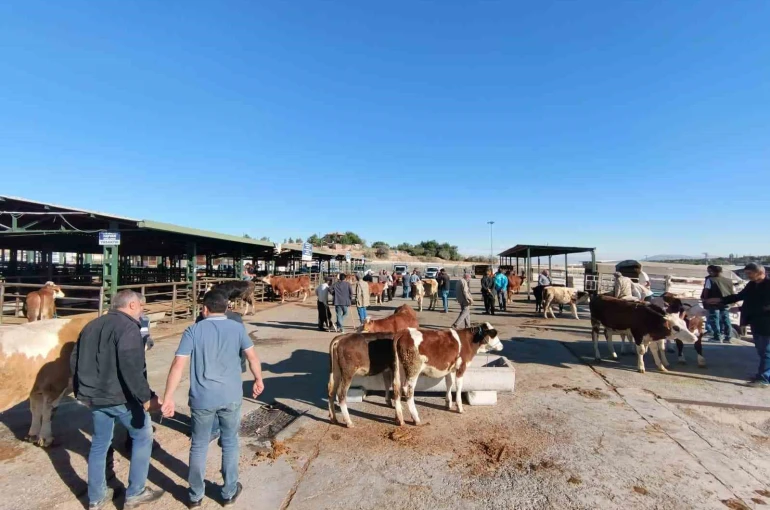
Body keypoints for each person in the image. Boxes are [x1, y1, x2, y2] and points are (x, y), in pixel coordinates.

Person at [161, 290, 264, 508]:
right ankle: (228, 492)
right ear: (227, 308)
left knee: (198, 445)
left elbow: (178, 365)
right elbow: (252, 357)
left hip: (202, 398)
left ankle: (195, 495)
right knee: (229, 443)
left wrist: (168, 397)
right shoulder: (237, 328)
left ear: (204, 309)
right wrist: (258, 379)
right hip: (231, 396)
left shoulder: (193, 330)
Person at [70, 289, 165, 509]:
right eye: (141, 307)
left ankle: (96, 498)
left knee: (99, 444)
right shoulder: (128, 328)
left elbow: (74, 360)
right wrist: (146, 398)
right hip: (120, 398)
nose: (141, 313)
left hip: (95, 398)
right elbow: (132, 368)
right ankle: (136, 492)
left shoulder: (92, 325)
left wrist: (81, 392)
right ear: (132, 305)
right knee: (143, 436)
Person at [706, 263, 770, 387]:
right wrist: (720, 300)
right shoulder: (752, 285)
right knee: (762, 351)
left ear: (760, 272)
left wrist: (743, 309)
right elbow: (739, 296)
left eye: (749, 273)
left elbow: (763, 306)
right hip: (755, 322)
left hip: (767, 323)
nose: (747, 276)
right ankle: (762, 375)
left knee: (767, 352)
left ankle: (764, 379)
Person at [701, 265, 735, 343]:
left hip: (713, 302)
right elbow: (732, 291)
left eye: (710, 271)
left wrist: (705, 300)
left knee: (714, 319)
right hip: (725, 302)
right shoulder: (728, 280)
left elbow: (706, 290)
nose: (709, 273)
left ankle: (717, 337)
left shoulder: (710, 280)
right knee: (726, 319)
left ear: (715, 271)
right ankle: (728, 337)